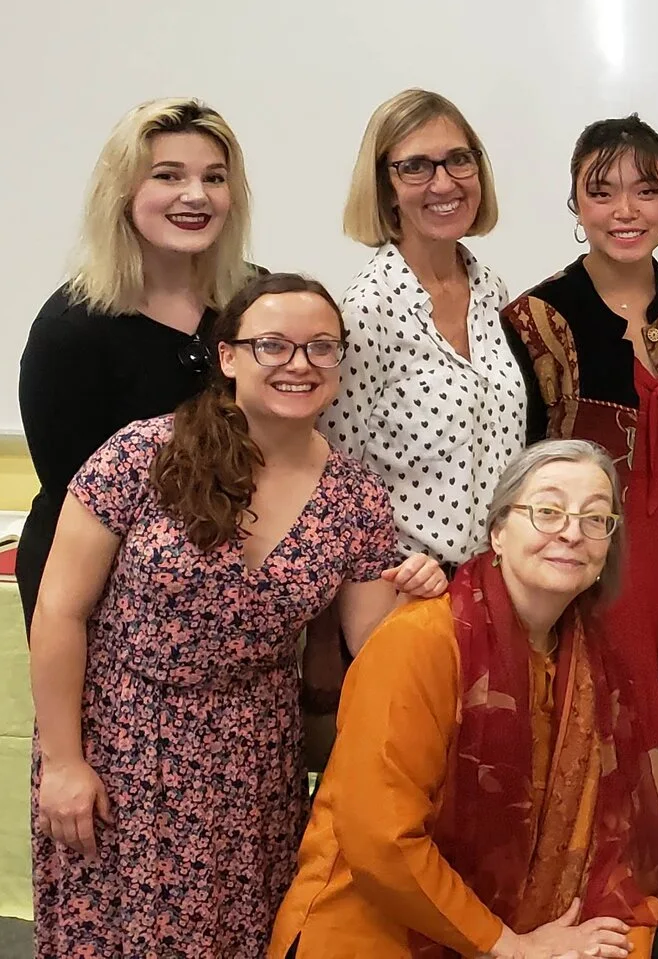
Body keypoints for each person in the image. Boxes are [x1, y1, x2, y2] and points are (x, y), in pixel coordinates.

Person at [29, 273, 446, 959]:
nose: (298, 363)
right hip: (121, 744)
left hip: (251, 761)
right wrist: (64, 762)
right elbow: (59, 611)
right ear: (228, 358)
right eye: (273, 345)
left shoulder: (355, 497)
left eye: (320, 347)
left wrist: (419, 588)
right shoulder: (142, 453)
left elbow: (374, 647)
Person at [269, 440, 658, 959]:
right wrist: (508, 946)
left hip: (528, 913)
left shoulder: (597, 657)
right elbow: (381, 843)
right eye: (547, 511)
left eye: (595, 518)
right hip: (381, 927)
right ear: (497, 532)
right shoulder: (422, 640)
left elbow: (631, 820)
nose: (570, 532)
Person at [502, 116, 658, 735]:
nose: (626, 211)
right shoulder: (534, 321)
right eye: (602, 192)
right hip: (588, 573)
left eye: (647, 191)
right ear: (576, 203)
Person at [16, 98, 255, 629]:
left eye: (214, 178)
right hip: (101, 600)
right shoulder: (70, 331)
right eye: (169, 176)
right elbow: (73, 500)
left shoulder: (255, 304)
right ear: (122, 192)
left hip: (236, 595)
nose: (196, 196)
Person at [325, 89, 530, 573]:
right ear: (384, 187)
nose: (444, 183)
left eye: (458, 160)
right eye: (416, 166)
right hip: (404, 590)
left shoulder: (491, 290)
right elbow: (333, 477)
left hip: (497, 584)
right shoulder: (366, 311)